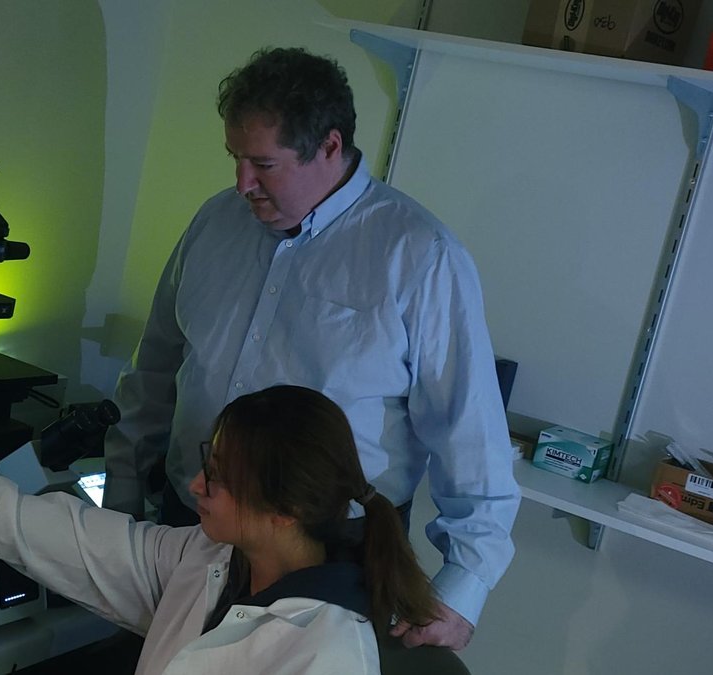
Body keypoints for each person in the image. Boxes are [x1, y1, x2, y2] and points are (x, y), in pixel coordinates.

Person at [101, 46, 520, 651]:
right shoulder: (214, 224)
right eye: (236, 159)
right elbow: (158, 369)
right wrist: (122, 490)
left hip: (328, 558)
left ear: (329, 146)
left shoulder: (421, 257)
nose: (242, 183)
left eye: (263, 164)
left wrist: (463, 586)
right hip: (190, 525)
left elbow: (470, 435)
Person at [0, 385, 442, 675]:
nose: (194, 487)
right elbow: (87, 543)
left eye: (217, 480)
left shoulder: (324, 657)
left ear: (283, 511)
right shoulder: (215, 559)